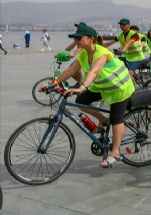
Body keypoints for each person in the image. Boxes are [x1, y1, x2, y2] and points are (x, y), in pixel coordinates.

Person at [40, 24, 135, 168]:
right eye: (75, 38)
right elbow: (70, 71)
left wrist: (82, 87)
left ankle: (115, 152)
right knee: (81, 101)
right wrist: (52, 83)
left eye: (79, 38)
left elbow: (94, 71)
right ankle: (103, 120)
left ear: (91, 39)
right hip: (103, 86)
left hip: (120, 87)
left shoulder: (101, 53)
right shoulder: (84, 54)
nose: (76, 40)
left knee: (116, 118)